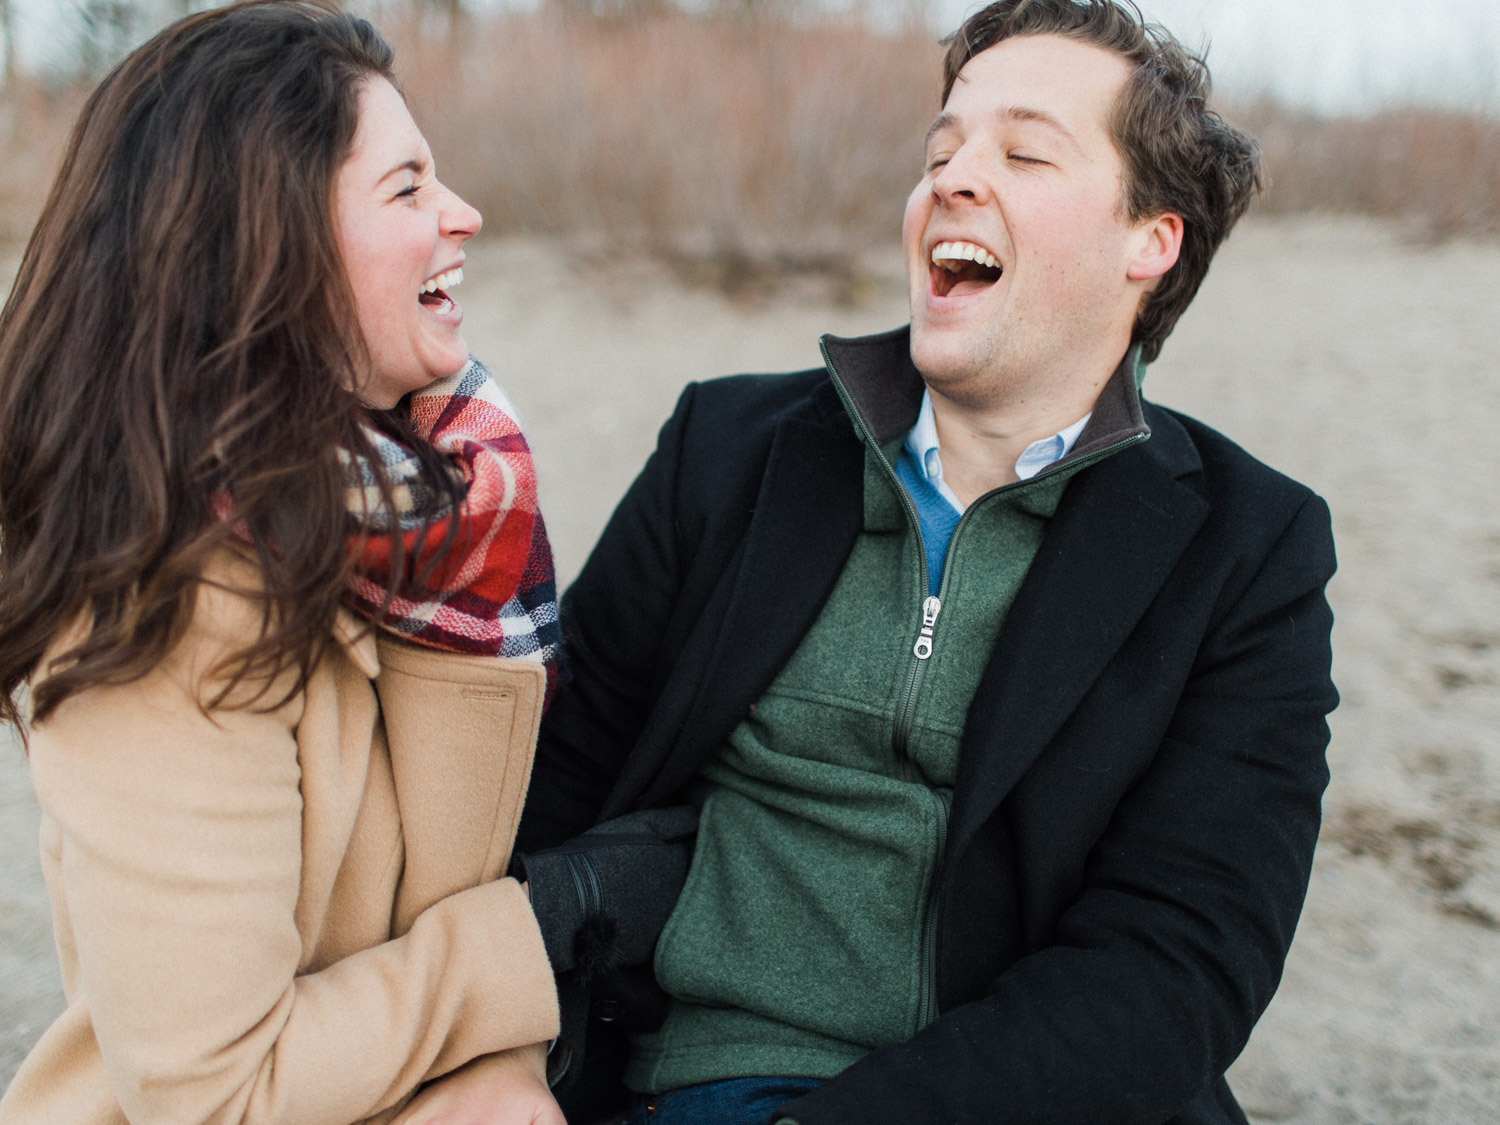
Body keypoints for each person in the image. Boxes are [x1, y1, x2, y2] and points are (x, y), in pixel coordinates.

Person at [516, 1, 1339, 1123]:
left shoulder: (1246, 547)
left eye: (1024, 150)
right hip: (695, 1083)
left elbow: (1179, 961)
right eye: (942, 148)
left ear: (1151, 241)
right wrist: (493, 1054)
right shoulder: (725, 454)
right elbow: (550, 785)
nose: (954, 176)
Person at [0, 4, 582, 1122]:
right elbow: (216, 1092)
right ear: (268, 246)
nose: (462, 213)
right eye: (407, 189)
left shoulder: (433, 510)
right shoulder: (166, 602)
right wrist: (529, 946)